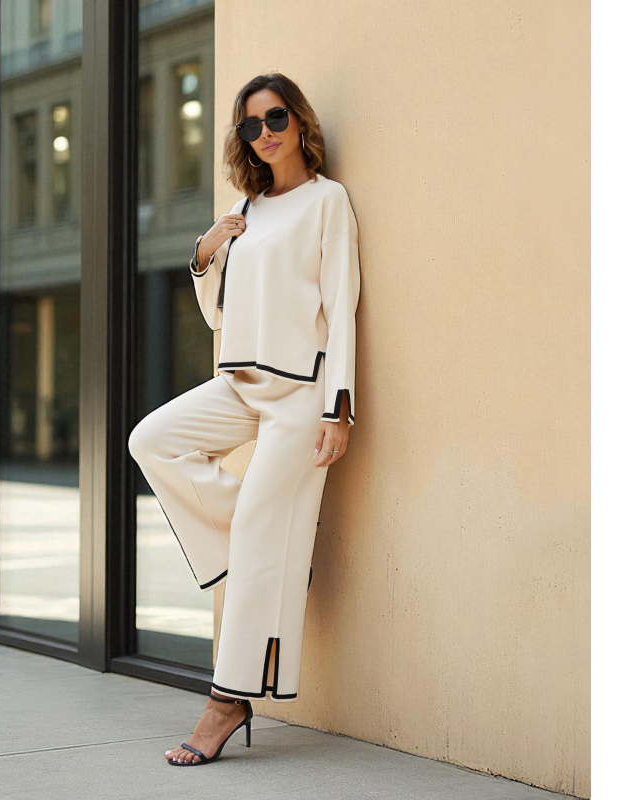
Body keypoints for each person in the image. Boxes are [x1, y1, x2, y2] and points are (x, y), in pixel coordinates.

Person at [128, 71, 360, 766]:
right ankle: (274, 546)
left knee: (264, 528)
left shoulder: (328, 202)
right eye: (252, 125)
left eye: (276, 118)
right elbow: (220, 316)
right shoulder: (246, 208)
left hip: (299, 396)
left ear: (299, 122)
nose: (266, 134)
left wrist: (338, 409)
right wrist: (204, 256)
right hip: (239, 381)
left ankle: (226, 703)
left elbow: (342, 307)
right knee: (152, 440)